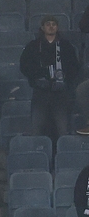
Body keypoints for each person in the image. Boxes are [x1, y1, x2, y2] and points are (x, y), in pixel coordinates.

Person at [21, 15, 79, 144]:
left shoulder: (66, 46)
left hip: (60, 94)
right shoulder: (33, 46)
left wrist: (65, 81)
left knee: (62, 129)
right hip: (40, 93)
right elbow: (25, 66)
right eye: (48, 24)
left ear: (57, 27)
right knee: (36, 128)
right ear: (42, 27)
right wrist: (36, 79)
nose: (51, 26)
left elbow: (74, 67)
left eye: (54, 24)